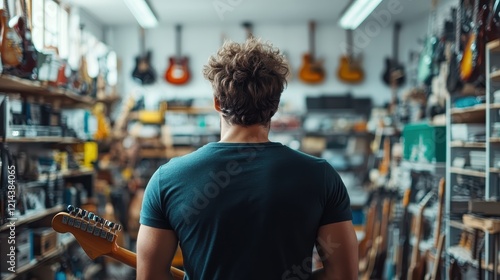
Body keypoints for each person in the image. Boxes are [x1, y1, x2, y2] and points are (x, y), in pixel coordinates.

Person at [136, 37, 358, 280]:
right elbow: (343, 275)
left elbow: (149, 277)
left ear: (217, 103)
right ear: (274, 106)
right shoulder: (321, 176)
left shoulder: (167, 179)